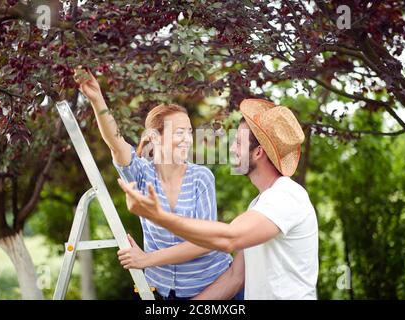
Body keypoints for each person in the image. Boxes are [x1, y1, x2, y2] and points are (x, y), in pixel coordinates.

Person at [118, 98, 319, 300]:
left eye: (238, 143)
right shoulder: (259, 206)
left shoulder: (286, 197)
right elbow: (234, 277)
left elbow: (228, 238)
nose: (232, 149)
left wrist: (158, 216)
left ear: (258, 152)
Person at [73, 66, 232, 300]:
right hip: (160, 290)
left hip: (212, 287)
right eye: (179, 132)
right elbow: (115, 143)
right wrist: (98, 101)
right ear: (155, 138)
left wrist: (145, 259)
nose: (187, 139)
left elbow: (206, 242)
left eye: (189, 132)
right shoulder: (141, 174)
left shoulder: (201, 177)